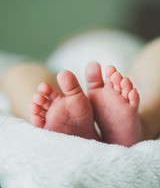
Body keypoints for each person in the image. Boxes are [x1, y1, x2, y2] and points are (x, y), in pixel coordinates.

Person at [1, 36, 160, 147]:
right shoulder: (61, 57)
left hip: (127, 77)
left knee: (21, 73)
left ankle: (140, 122)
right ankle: (58, 120)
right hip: (118, 80)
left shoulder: (69, 47)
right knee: (21, 72)